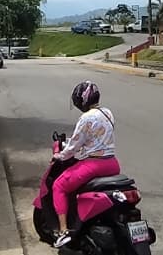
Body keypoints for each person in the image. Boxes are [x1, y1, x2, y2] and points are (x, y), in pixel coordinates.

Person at [50, 81, 119, 249]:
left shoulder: (86, 118)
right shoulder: (107, 112)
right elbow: (95, 137)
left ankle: (63, 231)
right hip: (112, 163)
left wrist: (59, 156)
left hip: (94, 165)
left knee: (59, 186)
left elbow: (74, 146)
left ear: (81, 101)